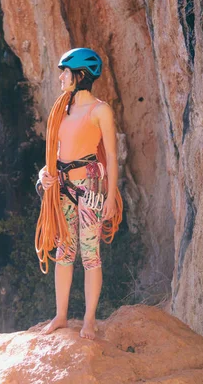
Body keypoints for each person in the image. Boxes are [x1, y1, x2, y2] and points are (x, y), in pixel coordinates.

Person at [34, 48, 123, 340]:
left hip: (90, 187)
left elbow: (110, 155)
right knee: (64, 252)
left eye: (66, 72)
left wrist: (111, 197)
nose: (61, 77)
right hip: (62, 187)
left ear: (80, 76)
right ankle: (61, 315)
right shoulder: (61, 109)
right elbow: (53, 153)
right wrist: (43, 176)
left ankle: (89, 320)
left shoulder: (100, 111)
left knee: (90, 254)